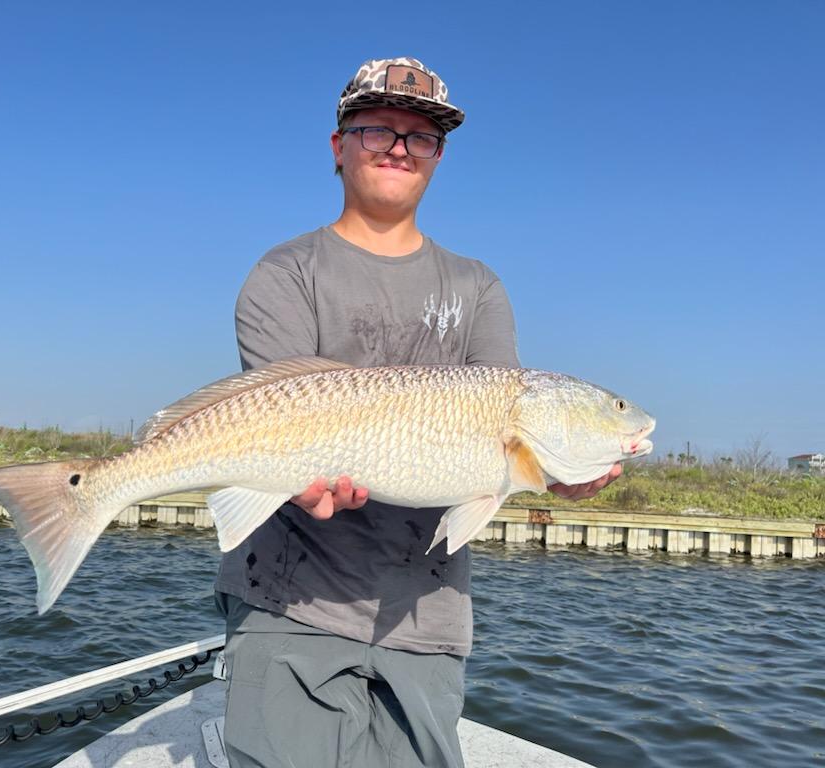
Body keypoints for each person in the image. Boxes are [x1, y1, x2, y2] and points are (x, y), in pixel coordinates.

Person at [214, 57, 619, 768]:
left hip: (428, 613)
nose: (399, 148)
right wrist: (292, 478)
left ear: (438, 157)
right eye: (377, 130)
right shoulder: (286, 272)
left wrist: (560, 472)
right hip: (289, 600)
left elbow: (498, 455)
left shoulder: (478, 286)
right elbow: (271, 411)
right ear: (338, 146)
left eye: (421, 136)